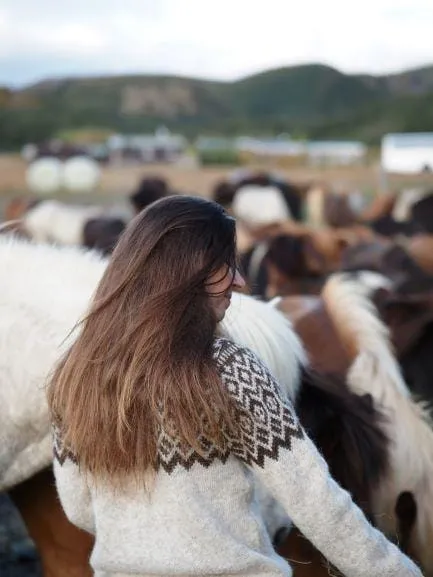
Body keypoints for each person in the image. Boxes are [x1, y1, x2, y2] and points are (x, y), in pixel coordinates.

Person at [47, 195, 422, 577]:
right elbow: (317, 503)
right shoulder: (229, 369)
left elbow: (79, 507)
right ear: (188, 273)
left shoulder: (76, 375)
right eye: (226, 266)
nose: (240, 282)